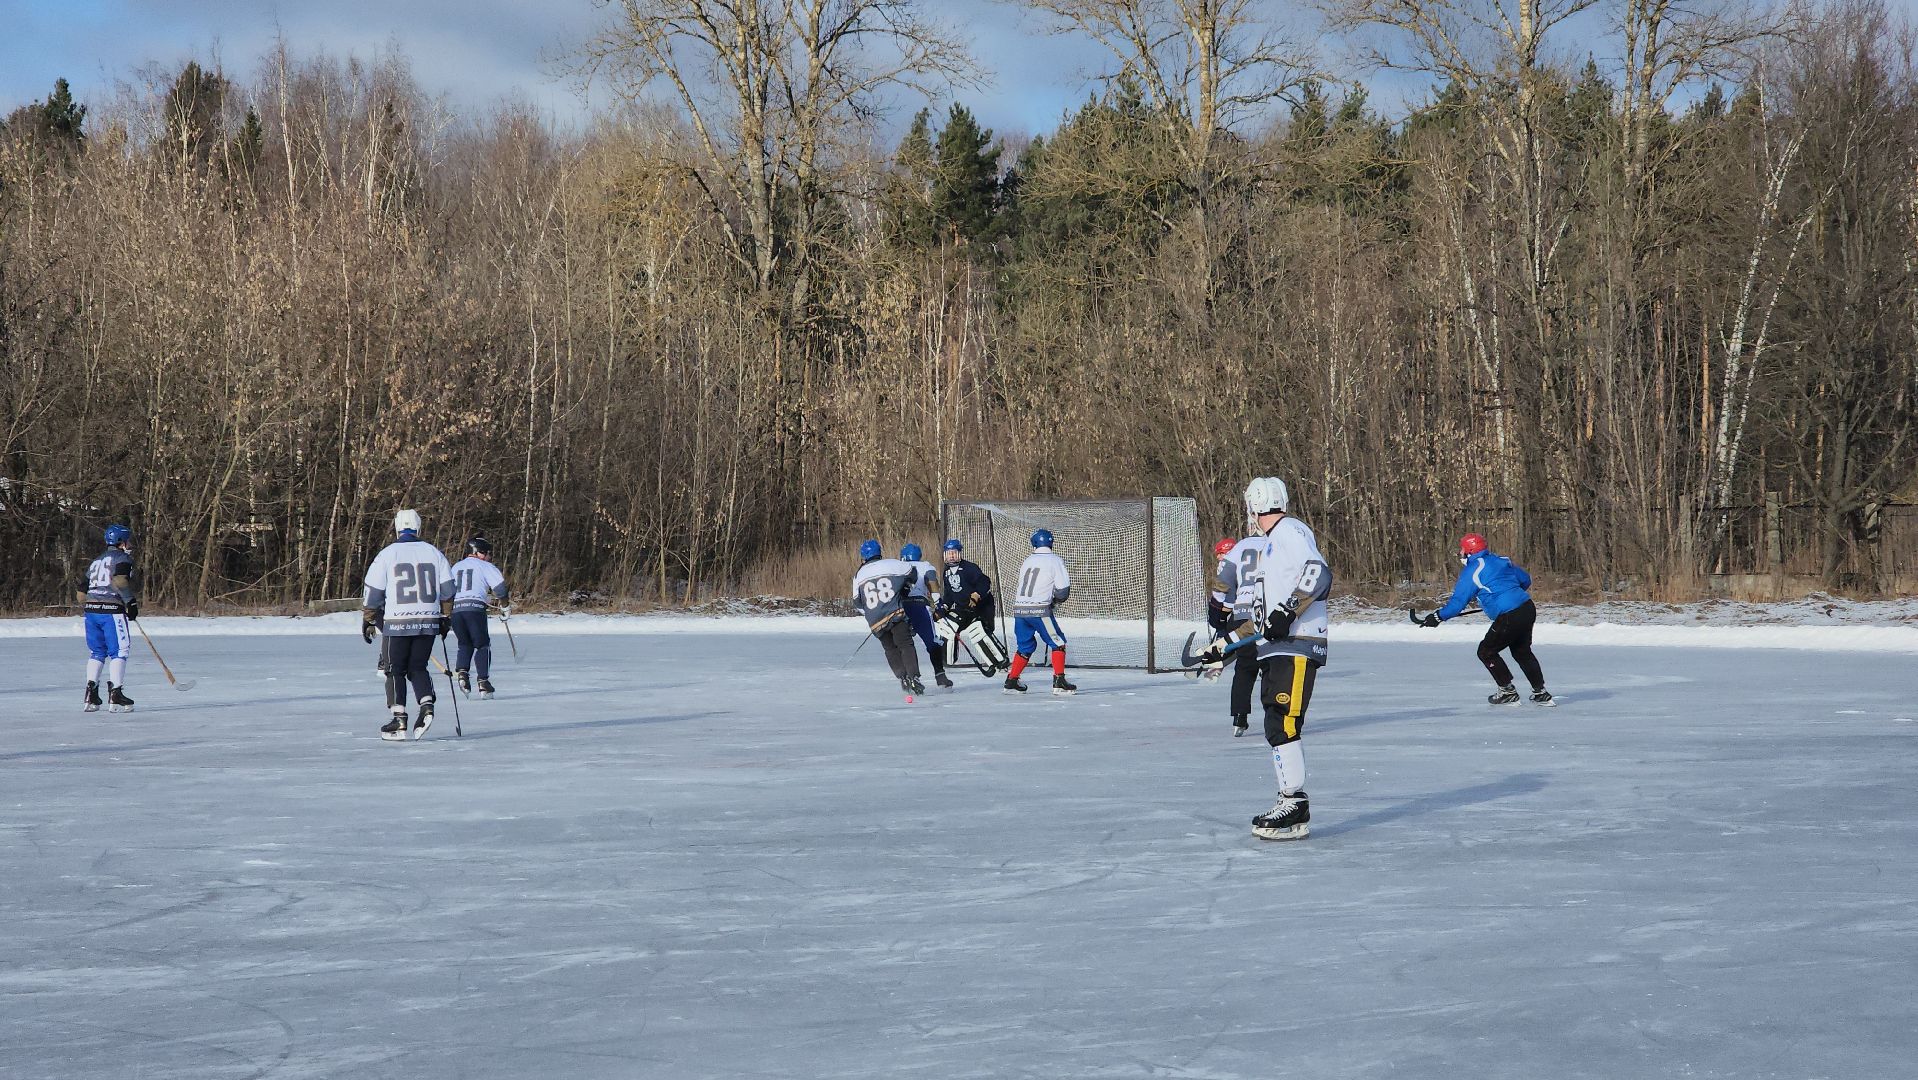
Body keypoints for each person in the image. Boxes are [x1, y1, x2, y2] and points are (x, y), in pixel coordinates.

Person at [1237, 477, 1331, 841]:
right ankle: (1289, 800)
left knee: (1283, 720)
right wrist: (1222, 644)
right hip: (1279, 646)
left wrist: (1288, 612)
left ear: (1254, 506)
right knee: (1276, 721)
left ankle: (1294, 803)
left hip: (1297, 644)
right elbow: (1263, 618)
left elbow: (1319, 573)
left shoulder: (1290, 530)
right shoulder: (1271, 544)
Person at [1419, 534, 1554, 707]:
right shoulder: (1501, 560)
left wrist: (1437, 617)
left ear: (1470, 551)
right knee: (1522, 652)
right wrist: (1508, 594)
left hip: (1509, 614)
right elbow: (1525, 579)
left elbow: (1458, 603)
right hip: (1526, 607)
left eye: (1462, 549)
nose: (1460, 552)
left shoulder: (1473, 570)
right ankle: (1541, 693)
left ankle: (1507, 692)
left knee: (1486, 651)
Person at [362, 509, 456, 740]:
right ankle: (426, 705)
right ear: (418, 528)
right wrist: (445, 617)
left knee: (395, 670)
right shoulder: (434, 553)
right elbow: (448, 590)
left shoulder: (387, 554)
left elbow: (373, 592)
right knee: (418, 667)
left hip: (397, 622)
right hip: (427, 620)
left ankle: (399, 719)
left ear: (396, 528)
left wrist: (368, 619)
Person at [1005, 528, 1076, 696]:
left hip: (1020, 611)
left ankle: (1012, 680)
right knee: (1058, 642)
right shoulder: (1055, 560)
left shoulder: (1028, 560)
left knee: (1025, 646)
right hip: (1039, 611)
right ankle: (1059, 681)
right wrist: (1055, 602)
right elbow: (1063, 590)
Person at [852, 539, 924, 700]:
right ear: (880, 553)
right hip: (894, 614)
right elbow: (912, 573)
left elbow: (857, 601)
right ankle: (914, 677)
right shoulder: (892, 564)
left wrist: (872, 612)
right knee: (905, 644)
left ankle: (902, 677)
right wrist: (905, 587)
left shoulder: (858, 575)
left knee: (890, 649)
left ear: (863, 557)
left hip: (875, 621)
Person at [79, 523, 139, 713]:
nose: (130, 544)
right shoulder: (122, 558)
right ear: (121, 542)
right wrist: (130, 602)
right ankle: (116, 693)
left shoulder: (96, 561)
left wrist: (93, 605)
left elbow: (81, 593)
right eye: (127, 540)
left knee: (97, 652)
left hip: (91, 611)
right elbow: (120, 581)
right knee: (120, 651)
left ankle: (91, 694)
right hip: (111, 611)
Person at [1206, 536, 1262, 737]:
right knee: (1271, 664)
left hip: (1240, 613)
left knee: (1245, 668)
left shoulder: (1237, 552)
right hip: (1265, 613)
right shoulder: (1273, 545)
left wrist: (1217, 616)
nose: (1220, 556)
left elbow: (1224, 592)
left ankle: (1239, 717)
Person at [450, 534, 510, 698]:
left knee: (464, 643)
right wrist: (505, 606)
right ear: (480, 552)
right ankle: (483, 683)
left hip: (456, 610)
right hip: (475, 610)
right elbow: (501, 589)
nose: (489, 557)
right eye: (488, 553)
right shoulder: (485, 566)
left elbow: (446, 590)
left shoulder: (455, 567)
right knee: (483, 645)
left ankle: (462, 673)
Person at [936, 539, 1007, 675]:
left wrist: (976, 595)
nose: (951, 556)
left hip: (981, 607)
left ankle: (999, 661)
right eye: (949, 553)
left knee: (977, 632)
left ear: (959, 553)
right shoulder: (946, 572)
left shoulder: (969, 568)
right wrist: (944, 606)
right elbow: (950, 594)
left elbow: (985, 581)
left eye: (954, 553)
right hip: (964, 608)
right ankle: (947, 661)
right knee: (946, 626)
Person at [898, 543, 952, 689]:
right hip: (919, 607)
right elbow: (932, 584)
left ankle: (907, 678)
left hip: (900, 608)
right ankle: (940, 676)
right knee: (932, 642)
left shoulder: (897, 567)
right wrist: (938, 604)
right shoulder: (926, 566)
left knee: (904, 645)